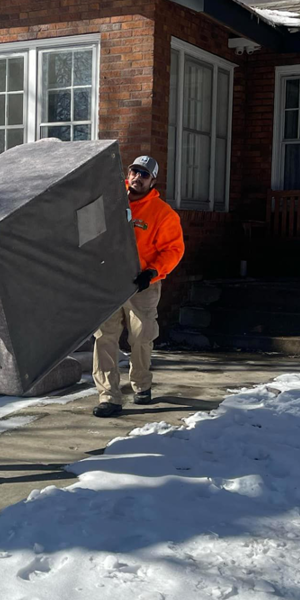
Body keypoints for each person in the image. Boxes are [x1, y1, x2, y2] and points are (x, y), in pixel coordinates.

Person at [92, 155, 185, 418]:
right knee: (104, 338)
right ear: (128, 174)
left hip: (141, 285)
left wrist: (152, 272)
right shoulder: (110, 201)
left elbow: (173, 249)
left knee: (141, 338)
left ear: (153, 180)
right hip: (108, 283)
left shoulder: (163, 214)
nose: (138, 178)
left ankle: (141, 384)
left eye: (144, 175)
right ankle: (108, 396)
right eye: (134, 172)